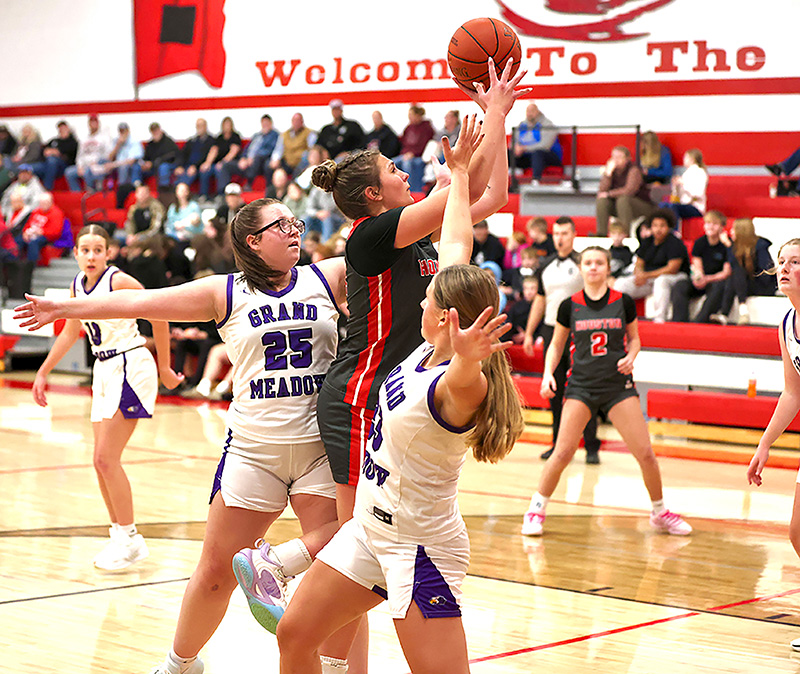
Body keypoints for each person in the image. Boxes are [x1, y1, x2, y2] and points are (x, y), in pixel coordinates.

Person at [231, 61, 529, 673]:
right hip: (361, 390)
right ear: (372, 194)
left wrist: (494, 124)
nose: (406, 171)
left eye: (434, 299)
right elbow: (466, 215)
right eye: (395, 169)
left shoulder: (449, 364)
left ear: (449, 319)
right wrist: (488, 126)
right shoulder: (371, 236)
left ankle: (290, 574)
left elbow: (487, 199)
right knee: (301, 621)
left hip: (416, 521)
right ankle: (302, 597)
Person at [14, 198, 352, 674]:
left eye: (296, 222)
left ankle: (337, 668)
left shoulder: (327, 275)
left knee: (338, 568)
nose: (296, 230)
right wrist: (61, 307)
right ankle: (179, 665)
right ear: (253, 241)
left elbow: (402, 235)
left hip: (321, 448)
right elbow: (139, 301)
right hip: (255, 451)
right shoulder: (224, 291)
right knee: (216, 572)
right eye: (283, 225)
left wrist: (459, 183)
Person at [15, 224, 181, 569]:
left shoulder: (119, 281)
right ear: (75, 253)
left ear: (109, 253)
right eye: (84, 250)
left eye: (97, 250)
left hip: (131, 364)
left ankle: (132, 539)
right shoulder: (77, 285)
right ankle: (121, 537)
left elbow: (159, 314)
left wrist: (165, 367)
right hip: (104, 370)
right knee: (99, 461)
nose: (91, 256)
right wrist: (43, 371)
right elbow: (69, 332)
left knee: (107, 459)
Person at [521, 246, 692, 537]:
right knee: (561, 452)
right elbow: (556, 345)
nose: (593, 267)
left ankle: (660, 512)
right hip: (581, 387)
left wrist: (631, 357)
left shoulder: (622, 302)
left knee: (646, 454)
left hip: (617, 387)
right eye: (587, 263)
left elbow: (635, 339)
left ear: (607, 268)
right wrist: (548, 374)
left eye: (598, 263)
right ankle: (536, 509)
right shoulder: (569, 305)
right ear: (582, 267)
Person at [746, 238, 800, 652]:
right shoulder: (786, 323)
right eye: (781, 261)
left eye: (795, 262)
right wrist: (764, 446)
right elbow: (792, 393)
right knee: (798, 534)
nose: (784, 268)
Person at [523, 216, 602, 463]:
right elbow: (540, 300)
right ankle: (557, 445)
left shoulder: (584, 263)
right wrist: (528, 332)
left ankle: (590, 446)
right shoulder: (545, 265)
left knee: (585, 388)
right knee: (554, 390)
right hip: (550, 331)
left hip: (580, 332)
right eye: (556, 233)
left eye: (565, 233)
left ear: (574, 234)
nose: (559, 238)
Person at [613, 209, 690, 323]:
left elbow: (672, 268)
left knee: (661, 281)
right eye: (655, 225)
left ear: (669, 227)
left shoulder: (675, 243)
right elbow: (639, 262)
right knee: (620, 284)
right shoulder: (648, 242)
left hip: (676, 277)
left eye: (662, 226)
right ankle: (618, 318)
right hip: (650, 278)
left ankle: (659, 319)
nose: (658, 229)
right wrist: (639, 273)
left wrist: (646, 275)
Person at [711, 217, 777, 325]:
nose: (731, 232)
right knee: (734, 276)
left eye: (733, 229)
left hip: (763, 285)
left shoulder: (760, 245)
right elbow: (734, 266)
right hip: (744, 283)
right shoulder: (737, 246)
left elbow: (766, 272)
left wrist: (729, 246)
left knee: (736, 274)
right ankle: (733, 312)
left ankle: (728, 313)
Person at [670, 210, 731, 323]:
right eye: (708, 223)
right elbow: (697, 266)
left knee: (719, 287)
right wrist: (699, 278)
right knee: (680, 285)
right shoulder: (700, 243)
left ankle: (700, 320)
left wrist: (707, 279)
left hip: (716, 280)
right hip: (702, 278)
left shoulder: (726, 244)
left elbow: (726, 272)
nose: (710, 226)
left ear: (722, 227)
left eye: (714, 223)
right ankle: (679, 321)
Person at [595, 145, 653, 236]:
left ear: (627, 159)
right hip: (619, 206)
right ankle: (601, 234)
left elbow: (629, 190)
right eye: (614, 157)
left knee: (623, 200)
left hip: (641, 204)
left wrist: (609, 194)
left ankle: (624, 234)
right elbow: (602, 191)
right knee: (602, 201)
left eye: (619, 157)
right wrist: (608, 174)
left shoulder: (634, 170)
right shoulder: (611, 171)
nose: (615, 160)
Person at [219, 114, 279, 190]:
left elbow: (270, 151)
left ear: (271, 124)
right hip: (248, 163)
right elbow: (247, 149)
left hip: (260, 163)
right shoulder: (256, 136)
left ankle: (249, 183)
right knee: (226, 166)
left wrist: (252, 159)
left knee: (258, 158)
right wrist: (243, 158)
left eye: (267, 123)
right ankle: (223, 192)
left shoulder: (274, 135)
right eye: (263, 123)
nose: (265, 125)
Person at [511, 102, 562, 181]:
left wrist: (524, 148)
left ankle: (535, 181)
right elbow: (513, 142)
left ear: (538, 112)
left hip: (548, 156)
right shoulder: (521, 125)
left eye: (532, 111)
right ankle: (506, 182)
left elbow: (545, 146)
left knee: (537, 153)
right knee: (508, 153)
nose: (529, 114)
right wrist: (515, 148)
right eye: (528, 111)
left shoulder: (548, 125)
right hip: (527, 156)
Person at [64, 114, 114, 192]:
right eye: (91, 122)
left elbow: (108, 155)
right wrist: (80, 166)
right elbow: (79, 155)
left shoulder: (104, 138)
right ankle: (77, 193)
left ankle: (91, 191)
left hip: (97, 165)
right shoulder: (84, 139)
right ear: (89, 124)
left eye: (95, 122)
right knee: (69, 172)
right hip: (84, 166)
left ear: (98, 124)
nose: (93, 124)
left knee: (89, 171)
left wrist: (97, 162)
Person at [15, 192, 65, 267]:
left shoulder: (56, 213)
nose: (43, 205)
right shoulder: (36, 211)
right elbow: (27, 224)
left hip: (46, 236)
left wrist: (42, 232)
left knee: (33, 243)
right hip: (32, 233)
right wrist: (25, 233)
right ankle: (14, 264)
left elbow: (56, 232)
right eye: (41, 203)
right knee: (17, 240)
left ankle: (31, 266)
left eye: (45, 203)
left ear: (51, 202)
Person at [661, 148, 708, 227]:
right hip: (683, 204)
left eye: (685, 157)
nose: (683, 160)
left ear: (692, 159)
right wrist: (675, 186)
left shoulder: (700, 173)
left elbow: (698, 194)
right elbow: (678, 197)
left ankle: (674, 231)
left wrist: (683, 184)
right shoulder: (686, 174)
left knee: (673, 207)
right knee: (663, 205)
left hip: (696, 207)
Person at [394, 104, 436, 193]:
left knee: (407, 164)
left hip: (419, 156)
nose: (409, 118)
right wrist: (406, 153)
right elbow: (403, 142)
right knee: (392, 163)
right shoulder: (409, 127)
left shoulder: (426, 128)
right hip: (406, 154)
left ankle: (410, 190)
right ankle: (395, 190)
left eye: (411, 115)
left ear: (418, 116)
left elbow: (424, 145)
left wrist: (412, 153)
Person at [200, 116, 242, 197]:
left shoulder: (235, 136)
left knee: (221, 169)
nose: (226, 126)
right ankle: (203, 195)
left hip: (230, 163)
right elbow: (214, 151)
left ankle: (221, 195)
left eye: (228, 124)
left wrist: (222, 162)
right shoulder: (219, 137)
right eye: (225, 124)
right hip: (217, 163)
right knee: (205, 171)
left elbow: (233, 152)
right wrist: (207, 163)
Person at [270, 112, 317, 178]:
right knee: (269, 165)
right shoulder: (284, 135)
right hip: (287, 162)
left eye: (298, 121)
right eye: (294, 121)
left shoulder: (309, 133)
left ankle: (295, 184)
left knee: (305, 159)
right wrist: (275, 159)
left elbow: (312, 149)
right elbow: (278, 149)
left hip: (302, 162)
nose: (296, 123)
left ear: (302, 122)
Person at [34, 121, 78, 190]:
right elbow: (43, 149)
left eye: (64, 128)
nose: (62, 129)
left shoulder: (72, 141)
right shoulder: (55, 140)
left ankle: (47, 188)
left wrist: (58, 152)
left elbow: (71, 153)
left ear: (68, 129)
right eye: (60, 128)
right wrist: (46, 151)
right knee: (31, 168)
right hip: (47, 163)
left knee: (52, 160)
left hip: (63, 165)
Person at [172, 119, 215, 189]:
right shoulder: (191, 141)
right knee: (177, 172)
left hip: (201, 166)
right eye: (198, 126)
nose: (199, 128)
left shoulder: (211, 141)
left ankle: (200, 196)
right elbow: (182, 154)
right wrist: (179, 166)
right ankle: (177, 192)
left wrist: (195, 166)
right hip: (188, 166)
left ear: (205, 126)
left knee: (197, 173)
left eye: (201, 125)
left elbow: (206, 156)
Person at [140, 122, 180, 190]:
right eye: (153, 131)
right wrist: (145, 164)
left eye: (156, 130)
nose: (155, 132)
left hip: (168, 165)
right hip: (153, 167)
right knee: (137, 167)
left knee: (163, 167)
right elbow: (146, 158)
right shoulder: (150, 145)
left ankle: (163, 189)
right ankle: (137, 186)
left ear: (160, 130)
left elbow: (172, 156)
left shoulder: (168, 142)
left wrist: (153, 163)